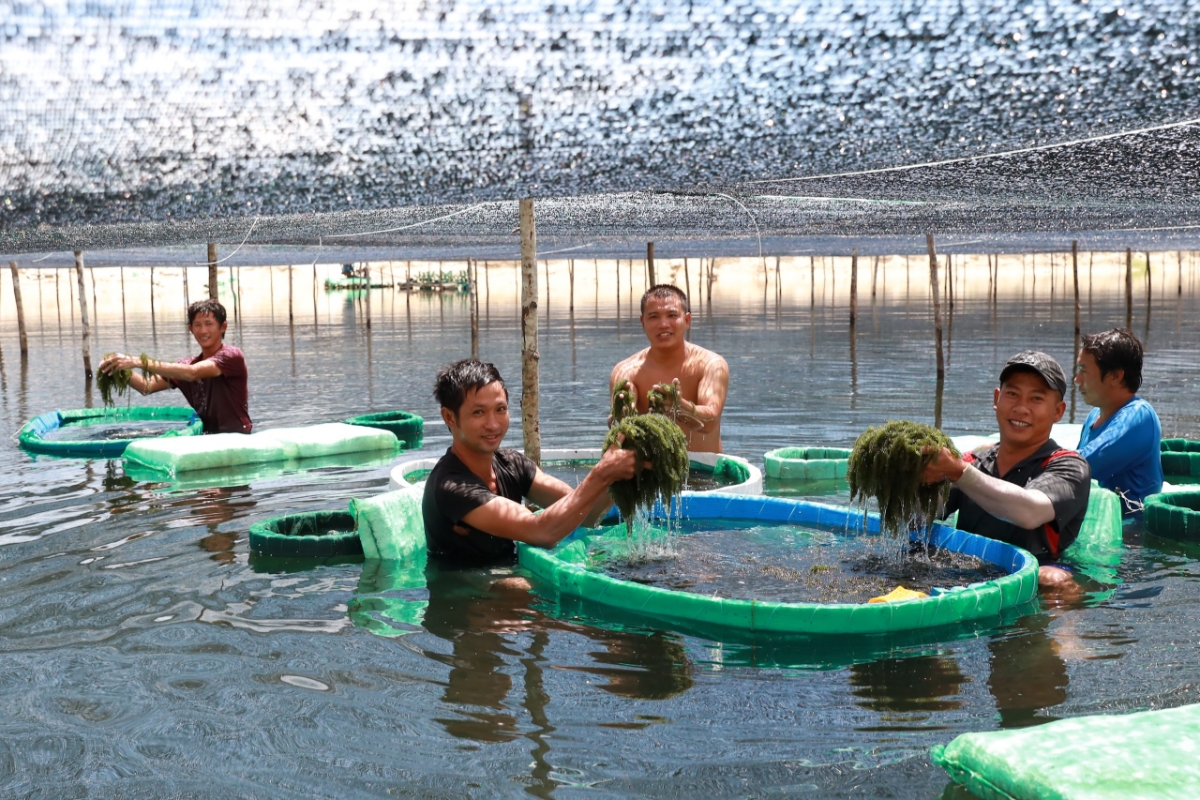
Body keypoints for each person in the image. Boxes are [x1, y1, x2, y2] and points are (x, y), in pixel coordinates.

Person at [422, 358, 640, 565]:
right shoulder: (452, 486)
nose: (493, 424)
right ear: (450, 417)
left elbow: (589, 515)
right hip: (461, 589)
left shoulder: (512, 464)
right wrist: (601, 473)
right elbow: (542, 532)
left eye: (500, 410)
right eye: (478, 412)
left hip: (507, 569)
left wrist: (626, 463)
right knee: (529, 590)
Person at [922, 351, 1091, 589]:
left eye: (1036, 399)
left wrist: (958, 472)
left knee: (1056, 581)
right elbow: (924, 513)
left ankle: (1065, 627)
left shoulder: (1070, 466)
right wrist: (915, 479)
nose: (1021, 408)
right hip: (967, 575)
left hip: (1033, 576)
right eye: (1012, 394)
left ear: (1058, 412)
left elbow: (1029, 512)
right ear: (997, 398)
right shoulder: (974, 462)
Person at [98, 299, 252, 434]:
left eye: (209, 324)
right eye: (197, 325)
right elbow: (146, 386)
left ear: (223, 327)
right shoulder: (184, 366)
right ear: (190, 329)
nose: (203, 330)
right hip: (207, 436)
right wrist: (117, 367)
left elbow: (193, 373)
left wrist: (139, 362)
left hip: (237, 436)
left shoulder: (232, 356)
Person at [609, 284, 729, 453]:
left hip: (705, 474)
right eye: (653, 317)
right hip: (649, 473)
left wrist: (679, 407)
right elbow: (623, 422)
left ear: (687, 320)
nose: (663, 324)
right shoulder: (626, 371)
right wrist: (621, 416)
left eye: (672, 315)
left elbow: (709, 422)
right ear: (643, 323)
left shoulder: (711, 365)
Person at [1073, 328, 1162, 515]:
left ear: (1115, 376)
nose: (1077, 380)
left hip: (1132, 537)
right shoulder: (1095, 415)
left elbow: (1082, 466)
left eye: (1084, 370)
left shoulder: (1139, 416)